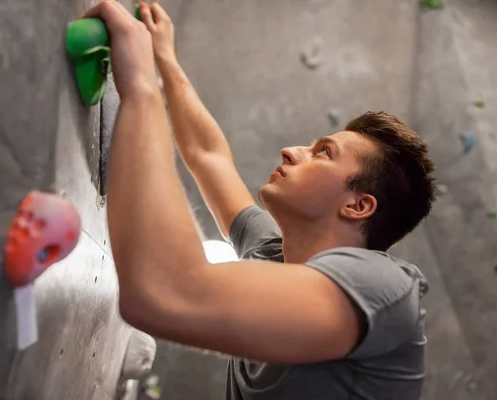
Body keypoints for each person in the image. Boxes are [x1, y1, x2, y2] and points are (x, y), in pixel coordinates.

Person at [83, 1, 436, 399]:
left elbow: (163, 293)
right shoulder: (275, 255)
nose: (290, 150)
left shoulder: (382, 289)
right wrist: (163, 57)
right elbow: (207, 155)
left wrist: (141, 88)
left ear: (358, 206)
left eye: (323, 152)